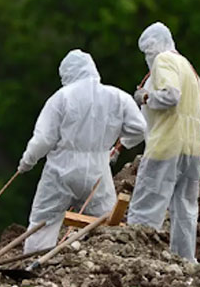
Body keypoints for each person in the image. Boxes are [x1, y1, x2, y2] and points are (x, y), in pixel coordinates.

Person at [18, 49, 146, 254]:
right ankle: (103, 261)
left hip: (62, 168)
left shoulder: (62, 97)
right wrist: (116, 144)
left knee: (44, 219)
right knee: (103, 222)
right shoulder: (117, 97)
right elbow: (139, 128)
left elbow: (43, 139)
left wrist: (27, 162)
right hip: (98, 169)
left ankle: (33, 261)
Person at [127, 22, 200, 262]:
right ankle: (184, 261)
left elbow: (171, 96)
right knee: (185, 209)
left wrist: (145, 97)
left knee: (148, 201)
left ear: (155, 46)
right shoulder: (189, 69)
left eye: (148, 51)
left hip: (167, 143)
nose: (148, 58)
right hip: (193, 148)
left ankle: (137, 258)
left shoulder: (164, 60)